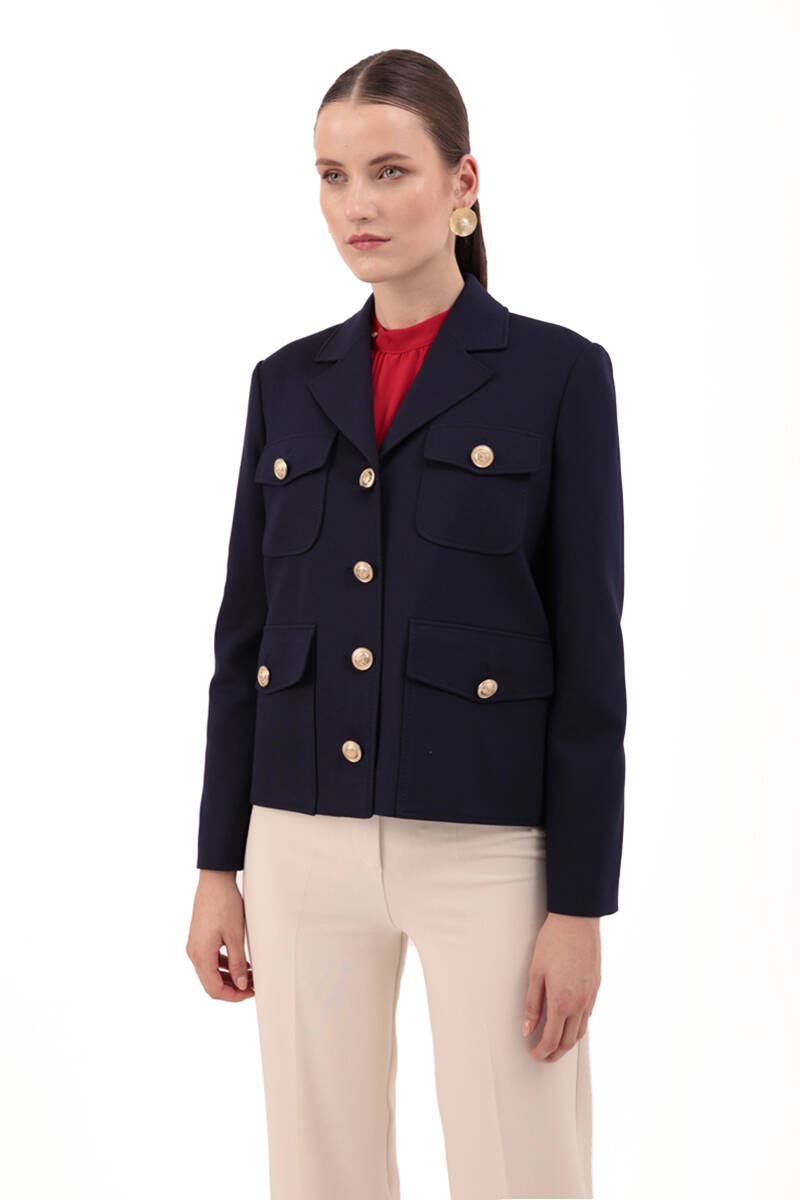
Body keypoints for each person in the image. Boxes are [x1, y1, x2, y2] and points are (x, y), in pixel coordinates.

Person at [186, 47, 626, 1200]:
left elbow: (591, 661)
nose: (358, 205)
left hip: (487, 848)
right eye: (332, 176)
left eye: (389, 170)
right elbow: (244, 640)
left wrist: (578, 904)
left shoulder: (556, 376)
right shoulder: (285, 382)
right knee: (317, 1171)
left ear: (462, 183)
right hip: (297, 839)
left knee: (520, 1167)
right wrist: (217, 864)